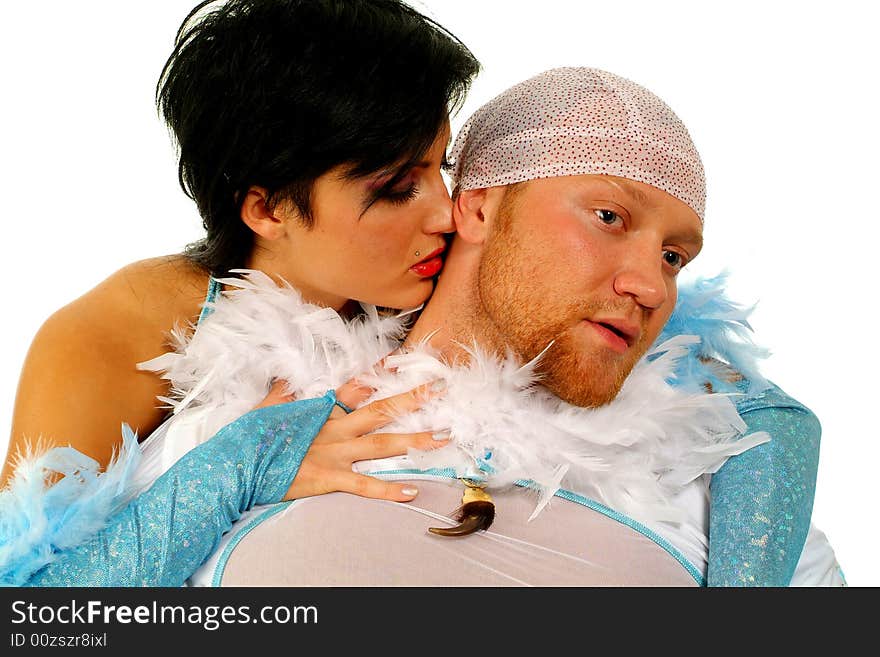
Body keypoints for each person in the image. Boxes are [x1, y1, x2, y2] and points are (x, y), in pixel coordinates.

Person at [4, 67, 841, 586]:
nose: (649, 282)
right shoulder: (255, 419)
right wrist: (231, 473)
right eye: (609, 215)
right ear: (477, 206)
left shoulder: (728, 492)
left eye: (675, 257)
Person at [1, 0, 480, 503]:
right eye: (397, 188)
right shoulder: (118, 336)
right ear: (268, 210)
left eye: (440, 168)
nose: (447, 215)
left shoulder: (452, 284)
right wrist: (228, 475)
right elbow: (27, 574)